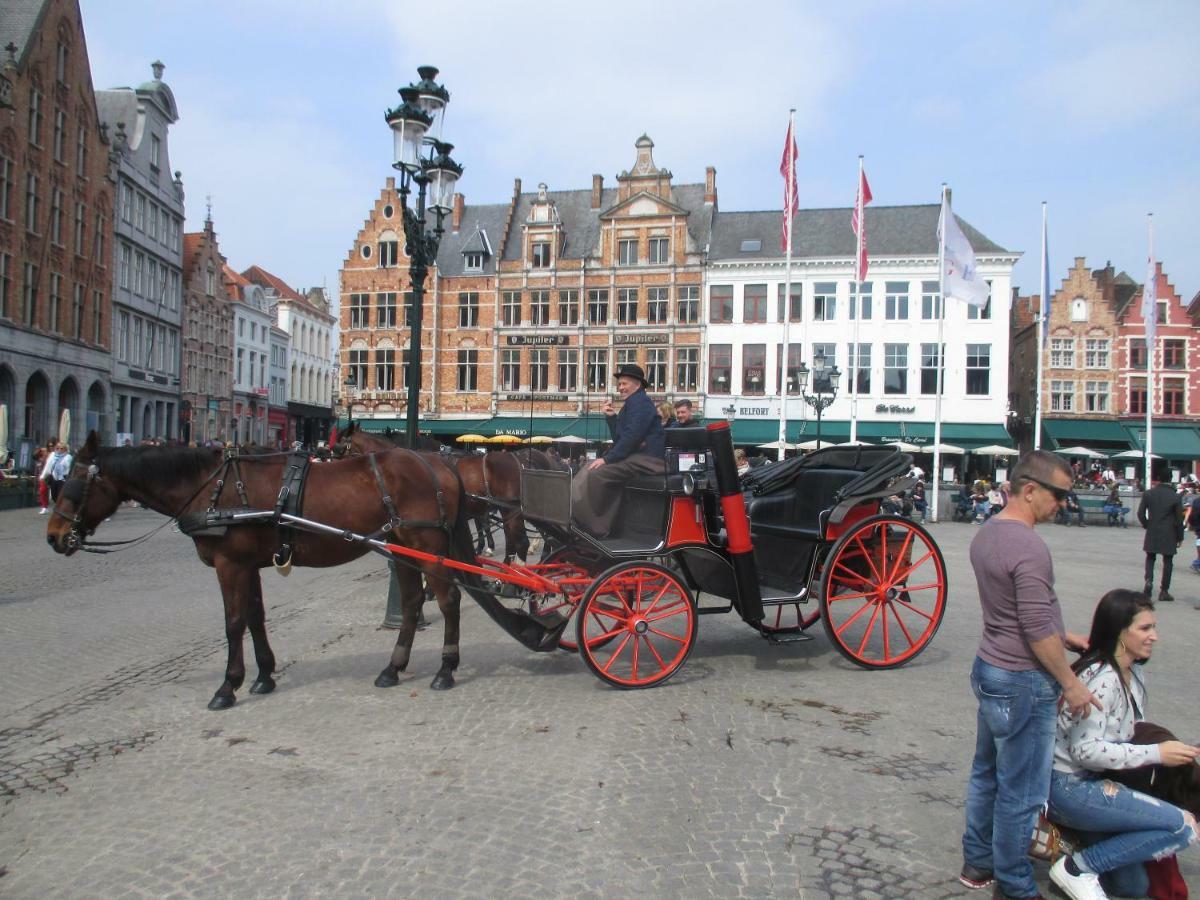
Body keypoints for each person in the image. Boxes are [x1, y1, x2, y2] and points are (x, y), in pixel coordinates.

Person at [960, 450, 1098, 899]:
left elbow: (1014, 612)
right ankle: (1016, 885)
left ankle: (977, 863)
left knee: (986, 774)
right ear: (1030, 489)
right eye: (1059, 494)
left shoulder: (987, 534)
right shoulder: (1030, 546)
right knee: (1021, 793)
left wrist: (1065, 634)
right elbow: (1035, 629)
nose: (1063, 503)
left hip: (990, 667)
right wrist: (1071, 683)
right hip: (1022, 680)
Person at [1047, 589, 1199, 899]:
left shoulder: (1132, 673)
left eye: (1153, 627)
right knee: (1183, 827)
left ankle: (1075, 839)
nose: (1154, 636)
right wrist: (1156, 753)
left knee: (1133, 886)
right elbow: (1084, 750)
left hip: (1094, 783)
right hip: (1070, 786)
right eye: (1145, 628)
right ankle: (1076, 867)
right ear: (1119, 632)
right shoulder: (1103, 678)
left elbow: (1125, 733)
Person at [570, 364, 666, 538]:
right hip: (636, 456)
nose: (620, 388)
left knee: (597, 473)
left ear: (637, 384)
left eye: (624, 384)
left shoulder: (640, 402)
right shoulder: (632, 404)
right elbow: (621, 439)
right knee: (591, 467)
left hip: (647, 460)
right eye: (619, 384)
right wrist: (612, 417)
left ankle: (597, 526)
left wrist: (608, 459)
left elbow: (631, 437)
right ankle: (585, 517)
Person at [1138, 463, 1184, 603]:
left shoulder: (1149, 493)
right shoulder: (1175, 497)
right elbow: (1179, 519)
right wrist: (1180, 536)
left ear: (1158, 478)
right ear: (1171, 478)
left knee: (1150, 558)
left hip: (1152, 530)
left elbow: (1140, 513)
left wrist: (1147, 525)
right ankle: (1164, 591)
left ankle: (1149, 582)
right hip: (1169, 533)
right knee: (1168, 561)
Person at [39, 441, 73, 512]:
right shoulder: (52, 455)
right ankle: (60, 507)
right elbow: (47, 466)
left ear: (65, 449)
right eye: (57, 448)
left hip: (63, 478)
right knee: (54, 496)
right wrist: (43, 476)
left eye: (62, 448)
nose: (59, 450)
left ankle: (62, 509)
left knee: (60, 494)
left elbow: (68, 467)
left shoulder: (68, 457)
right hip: (54, 477)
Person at [1185, 488, 1200, 576]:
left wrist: (1194, 526)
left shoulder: (1197, 501)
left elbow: (1193, 516)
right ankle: (1197, 563)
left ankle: (1197, 563)